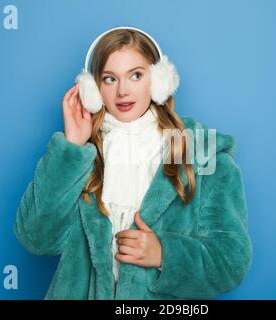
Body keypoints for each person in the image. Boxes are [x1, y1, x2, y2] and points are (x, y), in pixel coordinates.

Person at [14, 26, 252, 300]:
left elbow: (230, 262)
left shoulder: (201, 154)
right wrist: (71, 147)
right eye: (109, 79)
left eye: (136, 75)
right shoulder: (81, 155)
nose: (123, 91)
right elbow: (36, 239)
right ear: (93, 89)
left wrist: (164, 254)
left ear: (159, 80)